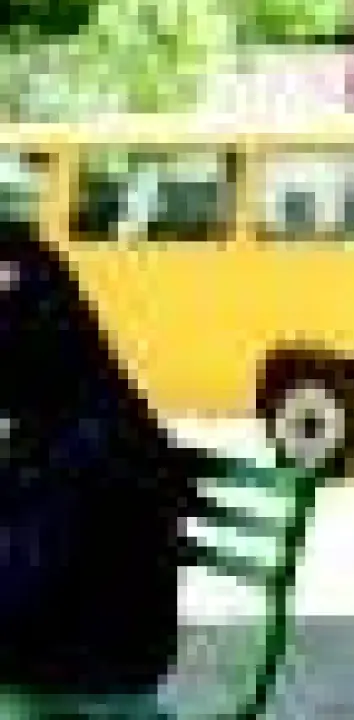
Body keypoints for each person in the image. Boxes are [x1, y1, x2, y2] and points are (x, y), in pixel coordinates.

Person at [0, 218, 209, 716]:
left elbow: (26, 587)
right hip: (64, 637)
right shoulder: (63, 412)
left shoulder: (92, 439)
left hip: (96, 658)